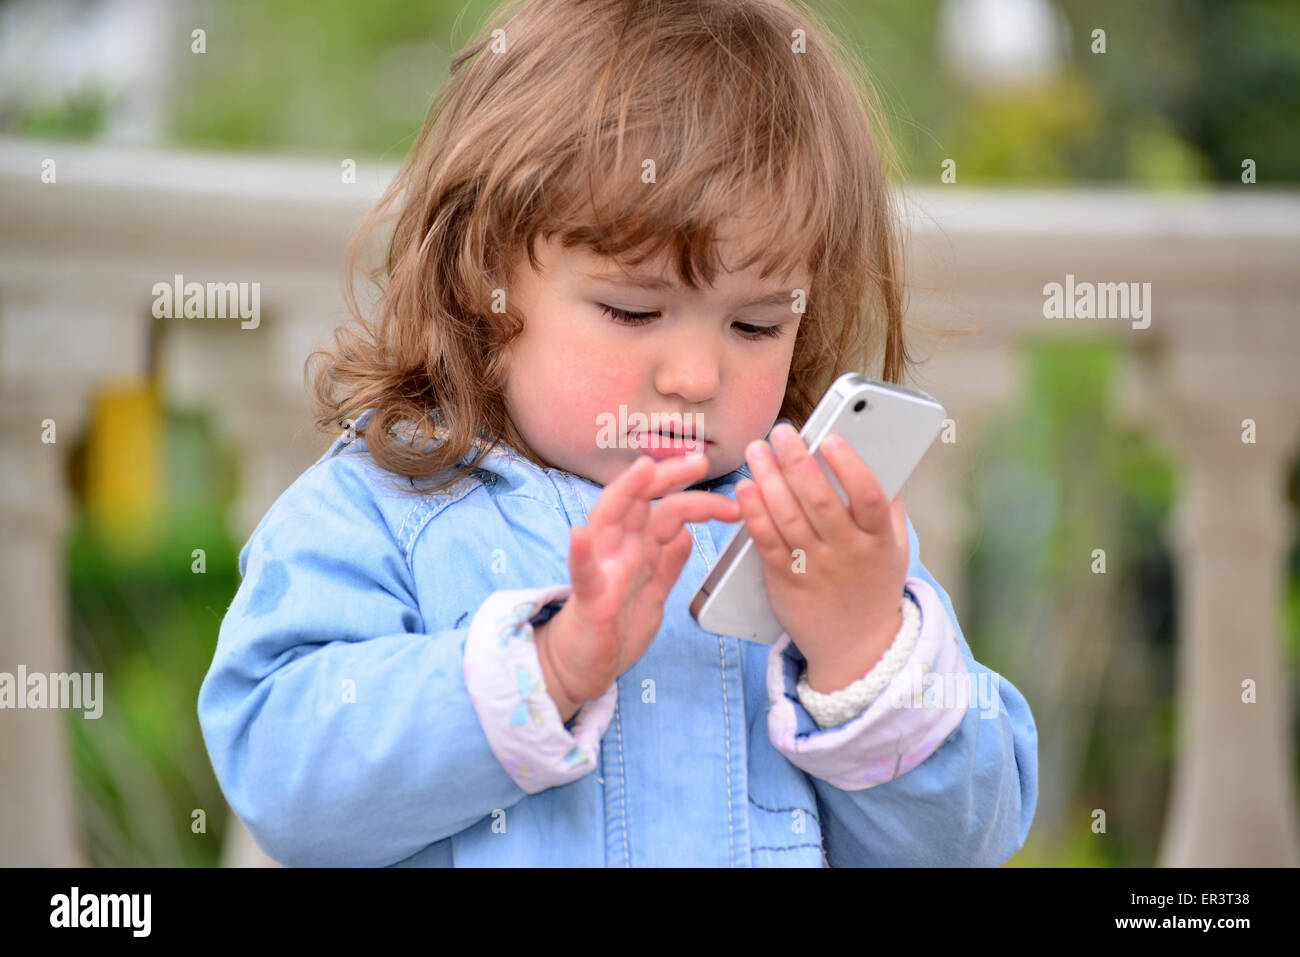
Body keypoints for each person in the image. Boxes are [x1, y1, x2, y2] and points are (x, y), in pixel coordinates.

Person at [198, 0, 1037, 867]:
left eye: (755, 325)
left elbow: (968, 840)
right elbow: (281, 774)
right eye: (633, 310)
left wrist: (864, 655)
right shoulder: (380, 509)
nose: (696, 375)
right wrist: (549, 668)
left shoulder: (810, 538)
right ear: (483, 276)